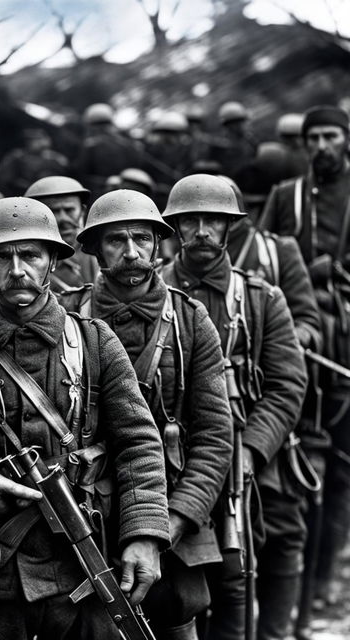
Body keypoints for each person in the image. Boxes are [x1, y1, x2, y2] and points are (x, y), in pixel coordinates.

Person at [0, 196, 170, 640]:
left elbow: (138, 442)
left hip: (81, 559)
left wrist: (143, 534)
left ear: (51, 263)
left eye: (30, 255)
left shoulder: (95, 340)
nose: (17, 269)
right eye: (2, 257)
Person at [59, 189, 233, 640]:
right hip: (86, 516)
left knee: (178, 619)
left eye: (142, 238)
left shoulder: (191, 321)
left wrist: (169, 523)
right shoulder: (65, 316)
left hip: (172, 513)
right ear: (95, 248)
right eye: (116, 240)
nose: (132, 252)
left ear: (159, 245)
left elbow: (215, 437)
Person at [160, 174, 308, 640]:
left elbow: (286, 385)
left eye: (213, 221)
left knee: (255, 552)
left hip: (246, 447)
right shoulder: (152, 293)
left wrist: (255, 449)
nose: (202, 231)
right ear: (176, 229)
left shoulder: (263, 300)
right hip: (171, 455)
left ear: (230, 228)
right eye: (190, 221)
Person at [259, 104, 350, 635]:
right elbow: (262, 260)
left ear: (345, 141)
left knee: (340, 471)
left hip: (345, 353)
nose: (320, 146)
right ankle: (291, 597)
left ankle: (320, 589)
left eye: (331, 136)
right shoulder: (285, 196)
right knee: (303, 475)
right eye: (313, 137)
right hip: (298, 350)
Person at [23, 175, 98, 291]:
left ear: (82, 211)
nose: (62, 218)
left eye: (69, 210)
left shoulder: (97, 250)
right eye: (53, 211)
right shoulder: (21, 258)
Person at [73, 103, 142, 200]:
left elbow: (80, 173)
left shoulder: (88, 146)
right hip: (127, 193)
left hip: (98, 195)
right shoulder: (128, 144)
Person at [0, 128, 69, 197]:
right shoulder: (17, 156)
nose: (39, 143)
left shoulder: (55, 159)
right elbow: (4, 179)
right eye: (34, 140)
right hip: (20, 193)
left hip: (47, 193)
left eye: (40, 139)